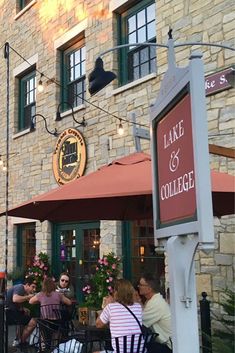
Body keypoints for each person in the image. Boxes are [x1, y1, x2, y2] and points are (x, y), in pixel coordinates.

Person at [95, 279, 143, 353]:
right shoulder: (138, 307)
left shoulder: (111, 307)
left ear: (116, 293)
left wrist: (105, 306)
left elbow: (98, 324)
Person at [138, 273, 172, 353]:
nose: (138, 286)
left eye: (141, 284)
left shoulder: (156, 303)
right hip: (162, 344)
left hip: (168, 347)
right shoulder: (152, 300)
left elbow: (139, 322)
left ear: (149, 288)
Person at [6, 276, 37, 345]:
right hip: (8, 313)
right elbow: (15, 299)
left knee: (26, 313)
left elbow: (15, 302)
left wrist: (23, 308)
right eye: (33, 287)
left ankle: (17, 340)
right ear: (27, 285)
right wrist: (28, 297)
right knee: (33, 322)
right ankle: (21, 342)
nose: (34, 289)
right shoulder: (20, 287)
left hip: (11, 311)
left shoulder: (22, 289)